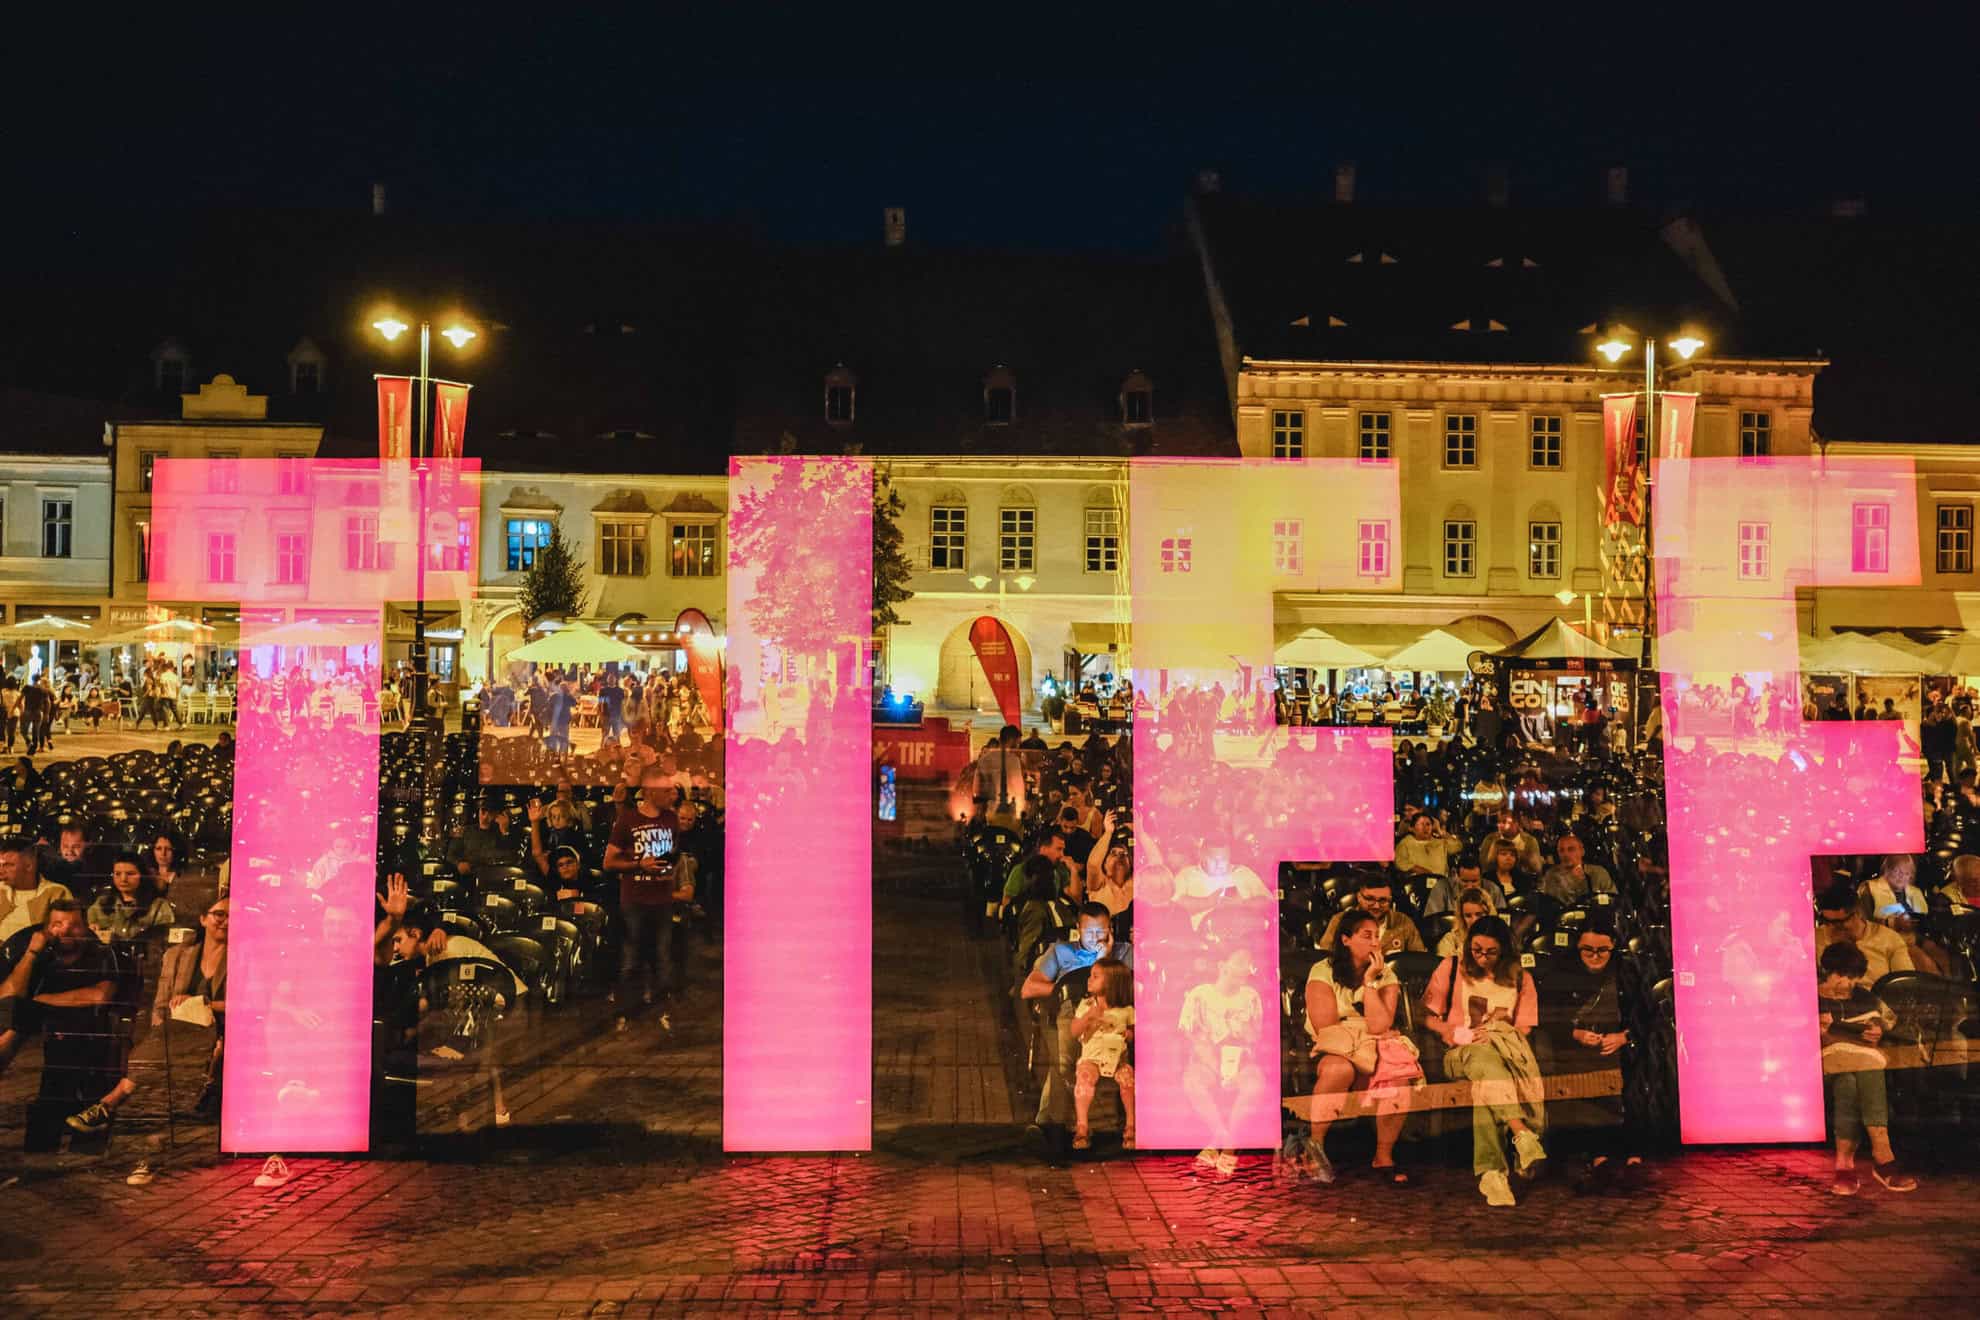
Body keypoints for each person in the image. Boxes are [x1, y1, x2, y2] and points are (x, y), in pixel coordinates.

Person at [1423, 914, 1547, 1206]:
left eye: (1491, 952)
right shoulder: (1451, 966)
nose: (1482, 957)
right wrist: (1455, 1033)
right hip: (1459, 1053)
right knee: (1480, 1054)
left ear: (1504, 949)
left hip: (1503, 1056)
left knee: (1484, 1086)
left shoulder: (1520, 976)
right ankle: (1521, 1132)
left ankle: (1492, 1175)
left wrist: (1494, 1035)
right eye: (1476, 949)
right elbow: (1428, 1018)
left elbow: (1524, 1028)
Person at [1304, 909, 1415, 1186]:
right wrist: (1368, 1030)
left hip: (1374, 1042)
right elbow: (1325, 1025)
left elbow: (1378, 1025)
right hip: (1338, 1044)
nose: (1375, 942)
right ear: (1345, 939)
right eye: (1367, 936)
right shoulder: (1323, 970)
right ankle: (1315, 1146)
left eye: (1378, 936)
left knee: (1398, 1073)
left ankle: (1383, 1155)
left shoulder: (1385, 974)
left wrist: (1369, 982)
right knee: (1339, 1070)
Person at [0, 901, 127, 1136]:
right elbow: (14, 993)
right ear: (47, 927)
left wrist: (44, 999)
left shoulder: (100, 951)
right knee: (16, 1021)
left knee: (33, 1025)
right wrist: (32, 953)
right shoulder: (35, 946)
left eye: (74, 925)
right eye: (57, 924)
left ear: (86, 927)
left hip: (81, 1019)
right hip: (34, 1014)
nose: (66, 931)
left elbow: (100, 995)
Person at [1021, 904, 1134, 1157]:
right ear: (1078, 930)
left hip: (1118, 1015)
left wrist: (1104, 961)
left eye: (1101, 932)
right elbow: (1028, 989)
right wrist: (1066, 986)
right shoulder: (1062, 952)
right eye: (1089, 932)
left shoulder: (1124, 952)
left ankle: (1132, 1125)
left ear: (1111, 929)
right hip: (1073, 1009)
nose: (1095, 939)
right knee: (1064, 1063)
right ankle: (1051, 1126)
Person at [1544, 917, 1643, 1191]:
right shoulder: (1563, 974)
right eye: (1588, 950)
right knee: (1590, 1089)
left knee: (1631, 1084)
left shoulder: (1626, 973)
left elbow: (1645, 1014)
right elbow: (1548, 1018)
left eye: (1602, 951)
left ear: (1613, 948)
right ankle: (1600, 1158)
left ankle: (1633, 1159)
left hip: (1620, 1047)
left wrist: (1623, 1037)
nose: (1595, 957)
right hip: (1578, 1050)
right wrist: (1575, 1034)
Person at [1817, 940, 1917, 1195]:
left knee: (1849, 1083)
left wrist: (1877, 1031)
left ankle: (1844, 1165)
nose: (1846, 984)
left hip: (1852, 1069)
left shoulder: (1865, 997)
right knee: (1868, 1065)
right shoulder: (1811, 996)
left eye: (1853, 978)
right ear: (1827, 971)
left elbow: (1890, 1023)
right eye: (1841, 976)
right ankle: (1883, 1155)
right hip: (1820, 1067)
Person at [604, 765, 696, 1021]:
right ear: (650, 792)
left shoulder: (671, 820)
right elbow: (609, 862)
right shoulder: (627, 821)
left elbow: (674, 853)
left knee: (663, 958)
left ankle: (662, 1012)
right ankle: (625, 1013)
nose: (672, 793)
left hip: (663, 900)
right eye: (666, 790)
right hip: (634, 900)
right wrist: (638, 865)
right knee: (632, 958)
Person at [1179, 947, 1268, 1177]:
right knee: (1193, 1081)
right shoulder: (1200, 994)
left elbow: (1255, 1038)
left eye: (1249, 963)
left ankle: (1227, 1150)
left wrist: (1243, 1034)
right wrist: (1214, 1065)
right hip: (1207, 1059)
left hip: (1241, 1060)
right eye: (1239, 961)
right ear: (1222, 966)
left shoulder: (1250, 996)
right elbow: (1193, 1036)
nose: (1245, 969)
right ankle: (1221, 1134)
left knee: (1254, 1085)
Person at [1068, 956, 1135, 1152]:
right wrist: (1088, 1017)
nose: (1089, 979)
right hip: (1091, 1058)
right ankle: (1082, 1126)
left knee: (1128, 1079)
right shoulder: (1087, 1005)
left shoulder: (1126, 1010)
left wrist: (1129, 1034)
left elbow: (1134, 1031)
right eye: (1091, 975)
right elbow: (1074, 1031)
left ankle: (1131, 1125)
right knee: (1085, 1077)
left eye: (1095, 976)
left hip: (1116, 1059)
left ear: (1112, 983)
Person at [1814, 885, 1913, 986]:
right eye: (1826, 921)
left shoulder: (1888, 939)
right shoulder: (1815, 939)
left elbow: (1905, 984)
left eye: (1839, 922)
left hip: (1875, 999)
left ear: (1858, 913)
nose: (1831, 927)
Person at [1318, 874, 1427, 955]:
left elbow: (1419, 960)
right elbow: (1325, 959)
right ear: (1359, 897)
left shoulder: (1403, 922)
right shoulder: (1340, 921)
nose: (1376, 906)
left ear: (1391, 900)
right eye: (1370, 899)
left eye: (1383, 900)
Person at [85, 852, 175, 943]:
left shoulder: (158, 906)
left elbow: (165, 939)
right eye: (118, 874)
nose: (123, 879)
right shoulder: (101, 904)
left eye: (130, 874)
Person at [0, 836, 75, 941]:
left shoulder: (56, 893)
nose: (1, 871)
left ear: (29, 866)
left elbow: (68, 935)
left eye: (9, 865)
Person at [1169, 835, 1271, 904]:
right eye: (1213, 859)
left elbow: (1267, 901)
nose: (1219, 864)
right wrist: (1208, 902)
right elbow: (1175, 904)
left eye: (1224, 859)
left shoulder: (1242, 873)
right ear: (1201, 855)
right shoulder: (1187, 876)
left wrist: (1242, 904)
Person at [1001, 829, 1071, 914]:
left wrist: (1073, 869)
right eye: (1058, 849)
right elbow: (1007, 901)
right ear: (1043, 849)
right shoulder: (1021, 870)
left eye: (1063, 850)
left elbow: (1074, 898)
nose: (1062, 855)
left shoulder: (1060, 869)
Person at [1539, 834, 1616, 906]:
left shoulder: (1598, 873)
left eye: (1571, 849)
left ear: (1582, 851)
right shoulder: (1551, 876)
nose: (1566, 854)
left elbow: (1612, 900)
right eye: (1561, 850)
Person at [1434, 886, 1497, 959]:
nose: (1474, 920)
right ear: (1462, 917)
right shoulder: (1450, 939)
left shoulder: (1500, 939)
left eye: (1479, 915)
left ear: (1488, 914)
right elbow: (1444, 967)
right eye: (1468, 916)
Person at [1393, 810, 1458, 878]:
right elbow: (1399, 862)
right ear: (1411, 828)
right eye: (1421, 824)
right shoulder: (1405, 843)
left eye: (1428, 824)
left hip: (1440, 884)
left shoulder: (1440, 842)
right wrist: (1417, 869)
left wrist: (1440, 831)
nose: (1425, 828)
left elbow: (1457, 847)